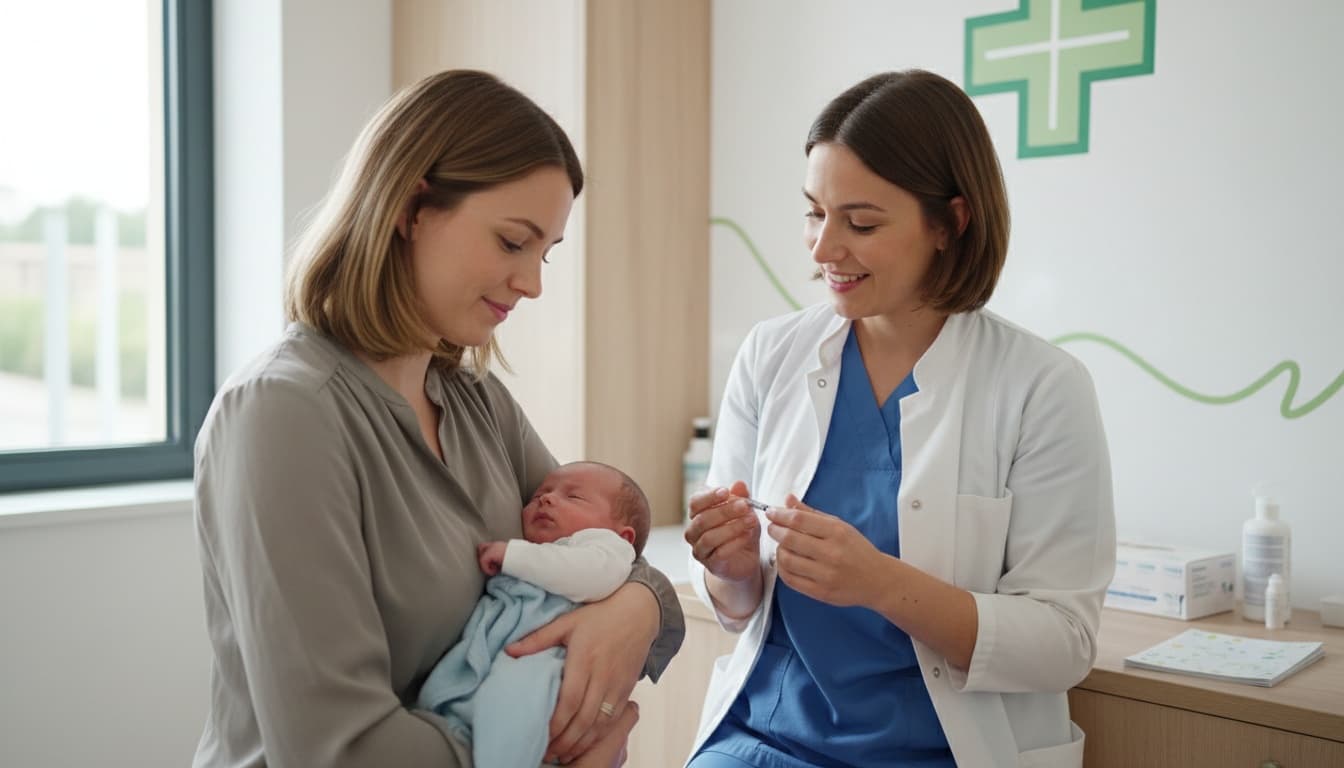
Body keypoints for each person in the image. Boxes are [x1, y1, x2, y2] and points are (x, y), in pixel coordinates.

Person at [192, 70, 684, 768]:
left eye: (545, 253)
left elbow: (608, 546)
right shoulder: (283, 415)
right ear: (410, 209)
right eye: (513, 242)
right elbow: (337, 749)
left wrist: (641, 606)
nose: (533, 283)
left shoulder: (479, 402)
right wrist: (540, 750)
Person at [684, 69, 1115, 768]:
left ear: (950, 222)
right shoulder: (771, 356)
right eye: (813, 213)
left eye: (861, 222)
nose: (824, 249)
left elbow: (1065, 641)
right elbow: (739, 609)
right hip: (763, 741)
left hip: (941, 751)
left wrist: (882, 584)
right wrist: (730, 569)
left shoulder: (1041, 387)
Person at [417, 460, 653, 767]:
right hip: (506, 654)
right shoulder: (541, 552)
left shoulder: (607, 550)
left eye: (574, 497)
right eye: (539, 494)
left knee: (514, 707)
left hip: (548, 661)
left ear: (624, 537)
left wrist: (514, 555)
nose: (546, 498)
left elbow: (586, 575)